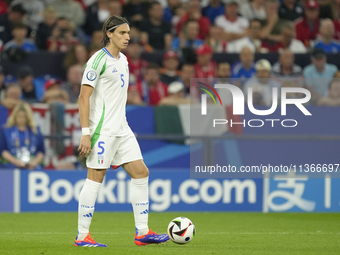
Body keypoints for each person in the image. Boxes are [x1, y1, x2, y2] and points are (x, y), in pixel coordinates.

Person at [75, 15, 169, 247]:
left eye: (128, 33)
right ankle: (82, 236)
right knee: (95, 178)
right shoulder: (97, 60)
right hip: (103, 130)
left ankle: (142, 232)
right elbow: (83, 97)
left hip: (122, 128)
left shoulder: (124, 60)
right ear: (109, 34)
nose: (128, 37)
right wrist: (86, 132)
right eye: (122, 33)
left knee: (141, 173)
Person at [0, 102, 45, 170]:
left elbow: (41, 151)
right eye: (20, 116)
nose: (22, 119)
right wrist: (15, 162)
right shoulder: (5, 130)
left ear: (28, 117)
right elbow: (2, 150)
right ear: (15, 116)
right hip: (10, 165)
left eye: (24, 117)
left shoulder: (35, 131)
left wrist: (34, 163)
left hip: (32, 165)